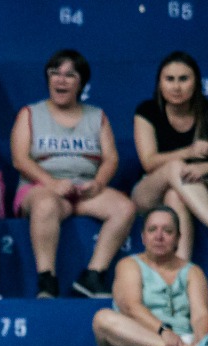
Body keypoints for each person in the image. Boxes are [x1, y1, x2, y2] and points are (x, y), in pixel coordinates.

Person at [11, 49, 137, 299]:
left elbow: (111, 157)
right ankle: (47, 281)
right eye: (55, 73)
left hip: (83, 189)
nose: (61, 80)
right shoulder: (30, 113)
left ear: (81, 82)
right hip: (40, 187)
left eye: (69, 75)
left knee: (125, 208)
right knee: (46, 205)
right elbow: (20, 159)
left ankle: (93, 276)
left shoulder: (96, 116)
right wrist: (51, 183)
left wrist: (98, 183)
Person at [92, 206, 208, 346]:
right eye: (152, 230)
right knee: (102, 319)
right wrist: (164, 333)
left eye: (167, 231)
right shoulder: (128, 264)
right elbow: (130, 307)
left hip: (183, 345)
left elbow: (201, 315)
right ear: (143, 237)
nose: (159, 236)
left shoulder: (193, 272)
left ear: (178, 238)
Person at [130, 51, 208, 261]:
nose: (176, 87)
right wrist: (189, 152)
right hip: (150, 190)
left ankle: (180, 273)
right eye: (169, 79)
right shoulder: (148, 111)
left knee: (175, 196)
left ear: (196, 83)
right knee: (174, 167)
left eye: (183, 79)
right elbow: (149, 163)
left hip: (201, 191)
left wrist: (207, 167)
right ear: (160, 83)